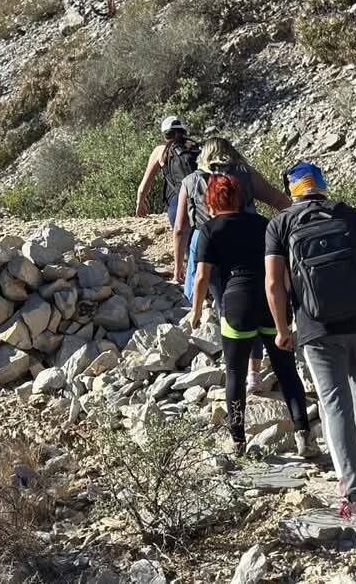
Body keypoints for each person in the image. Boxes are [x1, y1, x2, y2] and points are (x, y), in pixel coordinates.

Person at [264, 162, 356, 527]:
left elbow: (273, 283)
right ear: (321, 186)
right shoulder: (352, 216)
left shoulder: (280, 224)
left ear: (292, 189)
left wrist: (282, 328)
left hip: (317, 328)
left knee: (336, 406)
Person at [188, 173, 316, 458]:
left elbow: (201, 277)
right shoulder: (264, 224)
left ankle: (237, 442)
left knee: (234, 373)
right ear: (240, 198)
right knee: (285, 370)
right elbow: (280, 269)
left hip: (236, 304)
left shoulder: (210, 230)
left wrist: (195, 311)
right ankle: (304, 435)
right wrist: (288, 304)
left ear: (210, 201)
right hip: (271, 302)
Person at [176, 138, 291, 394]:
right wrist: (281, 237)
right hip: (252, 243)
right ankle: (254, 372)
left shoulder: (192, 180)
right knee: (258, 301)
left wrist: (178, 264)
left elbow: (180, 229)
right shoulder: (245, 174)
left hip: (211, 247)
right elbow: (280, 201)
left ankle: (234, 366)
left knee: (226, 305)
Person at [135, 116, 199, 227]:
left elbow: (146, 183)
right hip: (201, 197)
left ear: (164, 133)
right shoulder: (194, 146)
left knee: (181, 237)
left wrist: (140, 203)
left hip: (177, 199)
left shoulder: (161, 150)